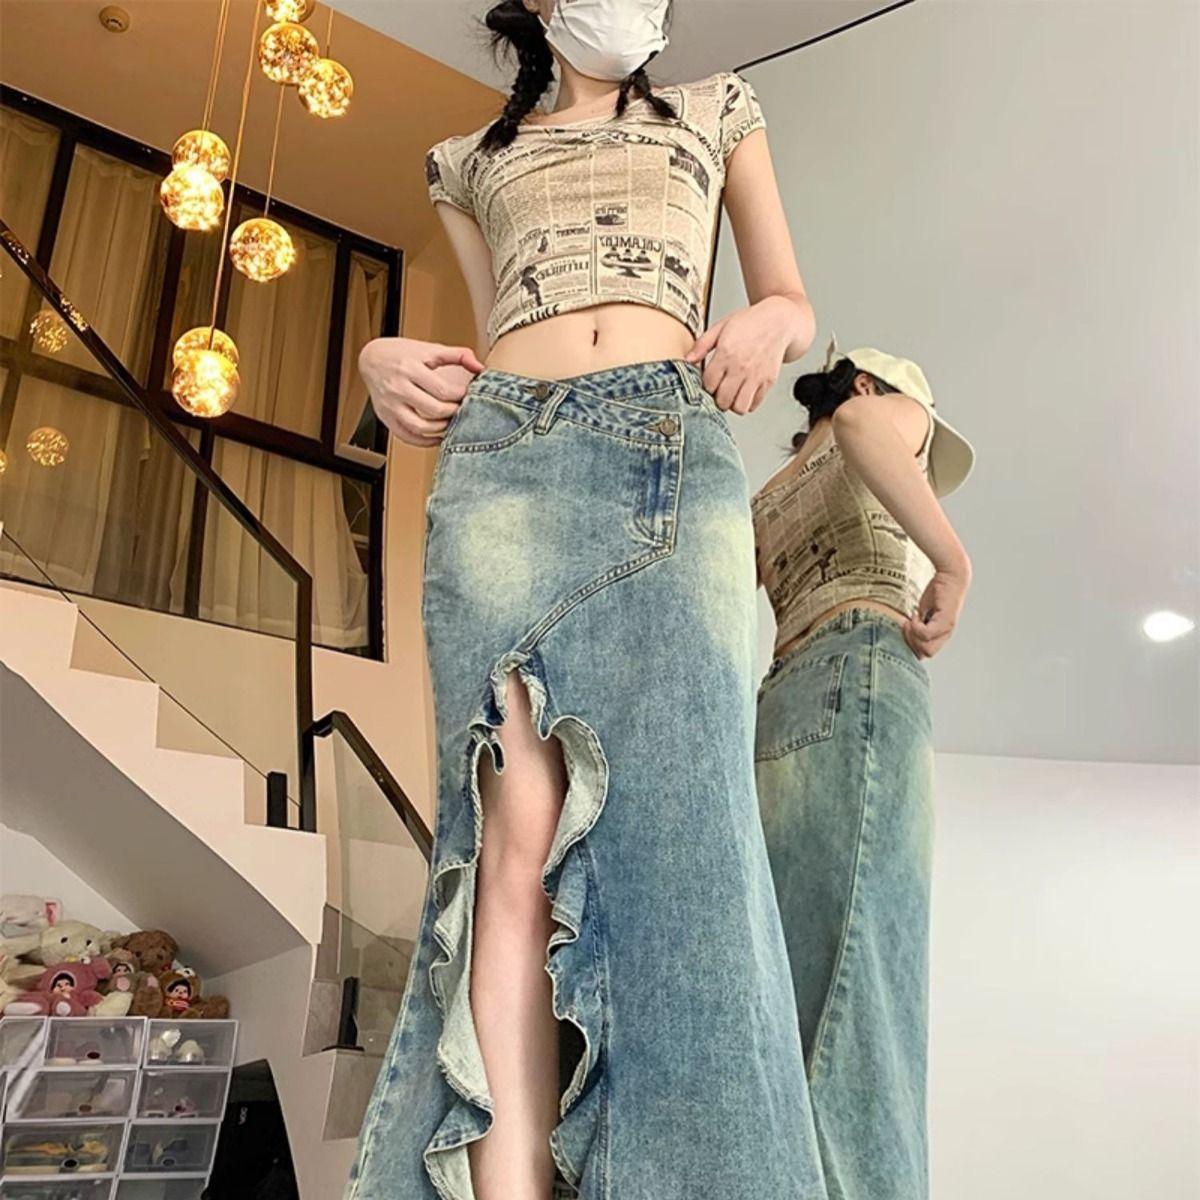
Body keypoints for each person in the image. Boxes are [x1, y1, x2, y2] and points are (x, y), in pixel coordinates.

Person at [346, 4, 828, 1200]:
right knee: (504, 844)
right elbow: (491, 330)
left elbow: (789, 296)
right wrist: (377, 361)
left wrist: (770, 322)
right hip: (503, 461)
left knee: (687, 837)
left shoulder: (718, 111)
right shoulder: (469, 162)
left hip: (667, 444)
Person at [751, 340, 976, 1200]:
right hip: (866, 675)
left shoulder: (767, 498)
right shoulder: (880, 411)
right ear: (872, 386)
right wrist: (953, 562)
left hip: (779, 711)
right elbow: (860, 426)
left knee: (789, 1013)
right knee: (869, 1010)